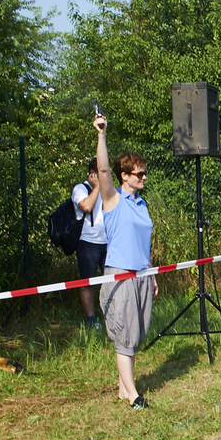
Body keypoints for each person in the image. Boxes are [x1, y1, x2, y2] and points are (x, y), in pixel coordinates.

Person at [94, 113, 157, 411]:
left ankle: (123, 388)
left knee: (136, 332)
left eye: (144, 173)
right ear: (125, 175)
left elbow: (145, 243)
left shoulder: (142, 205)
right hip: (120, 275)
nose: (143, 177)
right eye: (139, 173)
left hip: (143, 273)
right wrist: (102, 134)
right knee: (123, 333)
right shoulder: (113, 200)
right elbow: (103, 169)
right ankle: (134, 396)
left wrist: (153, 273)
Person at [74, 158, 106, 330]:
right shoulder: (80, 189)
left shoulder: (107, 189)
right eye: (103, 172)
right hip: (88, 243)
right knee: (87, 281)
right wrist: (96, 187)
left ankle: (112, 314)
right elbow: (86, 206)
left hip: (108, 241)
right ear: (93, 173)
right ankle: (91, 319)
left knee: (113, 278)